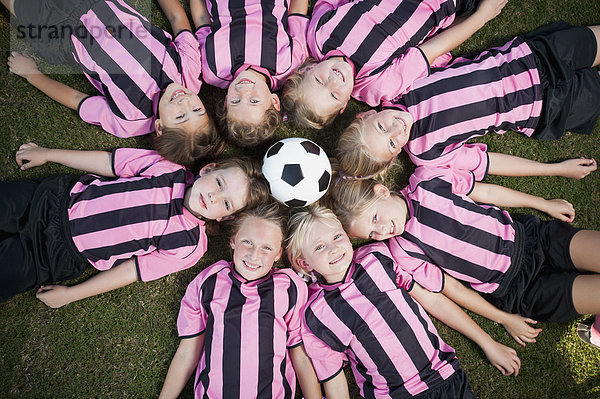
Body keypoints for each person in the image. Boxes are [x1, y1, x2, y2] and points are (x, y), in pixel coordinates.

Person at [327, 164, 600, 350]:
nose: (383, 231)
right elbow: (452, 288)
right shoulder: (403, 251)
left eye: (376, 218)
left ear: (382, 191)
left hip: (534, 240)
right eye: (372, 234)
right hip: (520, 289)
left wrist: (542, 204)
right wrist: (502, 318)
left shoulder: (428, 182)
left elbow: (485, 192)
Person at [286, 206, 521, 398]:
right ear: (304, 264)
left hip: (446, 377)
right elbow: (333, 377)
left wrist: (487, 342)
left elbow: (432, 300)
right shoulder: (316, 314)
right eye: (319, 247)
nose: (334, 248)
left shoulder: (377, 258)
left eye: (337, 236)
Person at [0, 142, 270, 307]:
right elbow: (109, 162)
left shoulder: (190, 245)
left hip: (55, 255)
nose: (213, 197)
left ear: (225, 218)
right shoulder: (168, 170)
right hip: (52, 200)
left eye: (225, 204)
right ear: (208, 169)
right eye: (219, 184)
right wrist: (48, 154)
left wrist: (72, 294)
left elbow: (132, 270)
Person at [336, 22, 600, 177]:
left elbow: (438, 47)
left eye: (381, 127)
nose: (397, 128)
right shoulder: (427, 154)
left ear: (367, 114)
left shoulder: (396, 87)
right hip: (546, 107)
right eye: (392, 142)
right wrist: (555, 170)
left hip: (529, 56)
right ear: (394, 157)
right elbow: (490, 162)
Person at [4, 0, 221, 169]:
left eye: (180, 116)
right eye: (196, 109)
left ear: (160, 127)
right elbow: (176, 18)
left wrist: (32, 74)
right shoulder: (190, 72)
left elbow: (77, 100)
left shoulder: (130, 119)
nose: (185, 102)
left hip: (61, 34)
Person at [159, 202, 321, 399]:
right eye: (247, 242)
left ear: (279, 253)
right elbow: (187, 352)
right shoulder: (209, 282)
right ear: (233, 240)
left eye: (267, 248)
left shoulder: (289, 287)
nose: (254, 255)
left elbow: (300, 356)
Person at [281, 0, 508, 129]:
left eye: (319, 81)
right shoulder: (376, 84)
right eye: (333, 95)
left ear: (308, 68)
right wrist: (481, 17)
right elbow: (435, 48)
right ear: (344, 105)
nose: (333, 81)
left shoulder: (319, 34)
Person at [190, 0, 309, 147]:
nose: (244, 92)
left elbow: (202, 23)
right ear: (275, 101)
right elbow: (297, 16)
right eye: (254, 101)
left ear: (226, 102)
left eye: (235, 101)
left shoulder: (213, 70)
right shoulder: (289, 65)